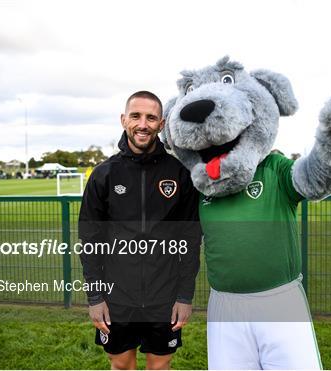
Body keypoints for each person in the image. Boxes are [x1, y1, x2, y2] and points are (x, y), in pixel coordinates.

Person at [78, 91, 201, 370]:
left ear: (161, 123)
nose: (142, 124)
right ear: (123, 120)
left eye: (150, 117)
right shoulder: (103, 175)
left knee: (159, 367)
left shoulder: (180, 174)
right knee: (122, 365)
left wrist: (184, 296)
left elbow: (191, 241)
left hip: (165, 296)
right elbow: (89, 241)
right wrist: (96, 297)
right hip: (116, 297)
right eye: (135, 116)